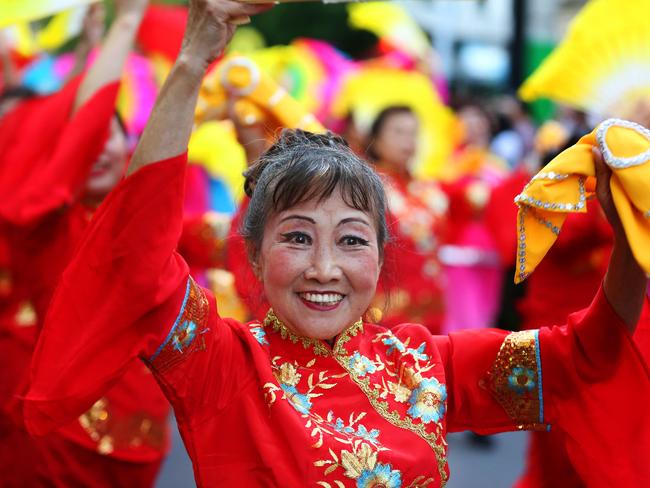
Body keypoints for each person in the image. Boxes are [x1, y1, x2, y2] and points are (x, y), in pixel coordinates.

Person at [21, 1, 650, 487]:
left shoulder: (422, 365)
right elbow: (135, 261)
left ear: (379, 255)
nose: (325, 267)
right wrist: (193, 60)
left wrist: (631, 242)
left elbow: (581, 355)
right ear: (255, 252)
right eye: (297, 237)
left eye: (351, 240)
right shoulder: (221, 361)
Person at [0, 1, 171, 486]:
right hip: (53, 440)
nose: (98, 145)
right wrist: (125, 23)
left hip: (140, 432)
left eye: (112, 135)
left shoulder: (145, 212)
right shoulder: (38, 219)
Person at [366, 105, 448, 332]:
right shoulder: (366, 188)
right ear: (376, 139)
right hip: (386, 313)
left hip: (432, 309)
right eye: (398, 132)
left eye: (413, 133)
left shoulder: (428, 189)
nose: (408, 140)